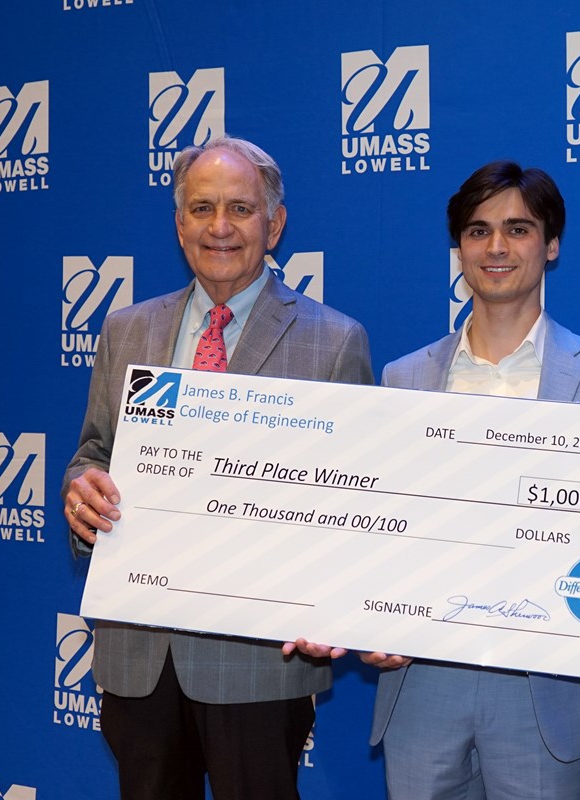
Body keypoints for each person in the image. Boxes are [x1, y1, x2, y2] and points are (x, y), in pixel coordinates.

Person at [62, 135, 373, 800]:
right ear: (179, 225)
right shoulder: (127, 330)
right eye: (201, 209)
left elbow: (355, 498)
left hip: (258, 662)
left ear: (275, 223)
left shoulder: (333, 340)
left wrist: (334, 600)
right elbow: (94, 451)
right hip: (139, 652)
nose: (221, 227)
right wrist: (81, 492)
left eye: (240, 208)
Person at [365, 160, 580, 799]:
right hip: (424, 679)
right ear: (459, 248)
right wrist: (366, 620)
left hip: (549, 685)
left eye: (518, 229)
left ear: (550, 245)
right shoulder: (401, 379)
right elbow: (376, 526)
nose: (496, 247)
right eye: (478, 231)